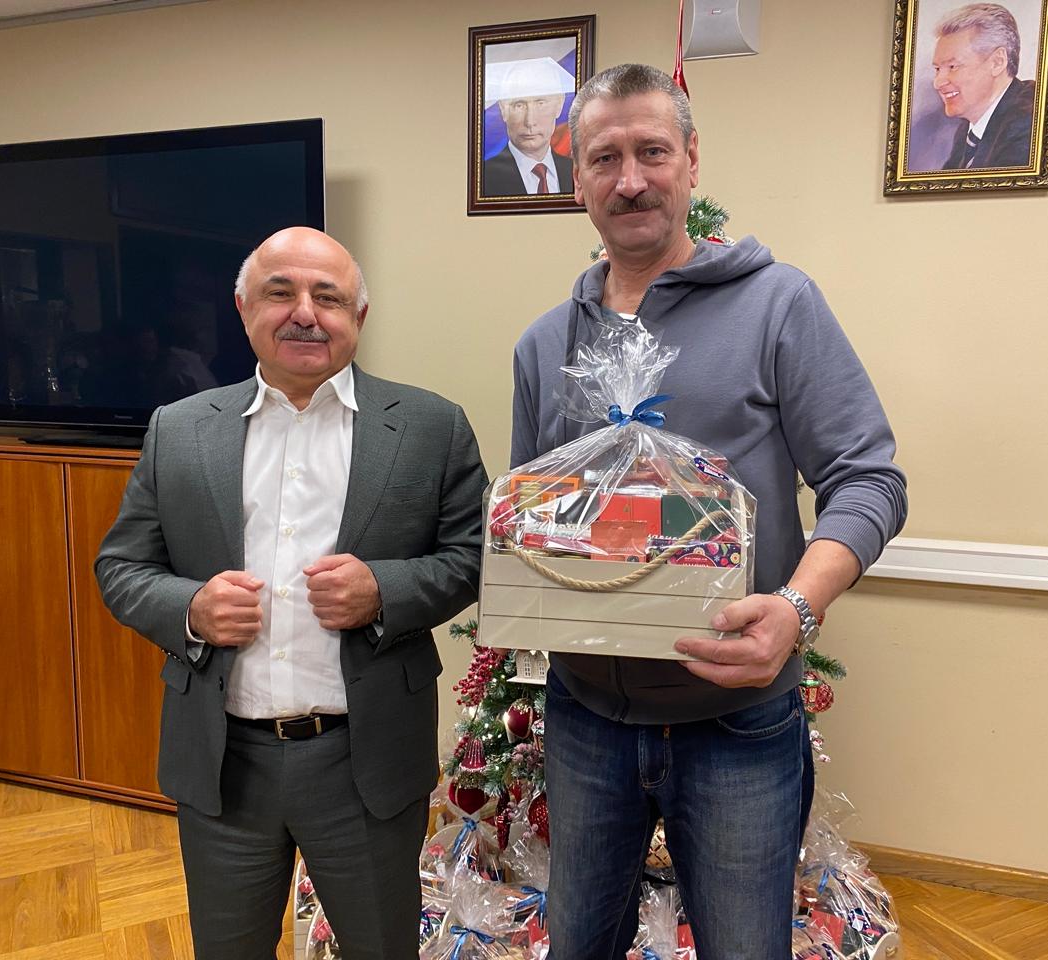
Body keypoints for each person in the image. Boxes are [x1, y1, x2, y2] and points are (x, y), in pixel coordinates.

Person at [510, 64, 907, 959]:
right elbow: (530, 515)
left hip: (739, 720)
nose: (631, 180)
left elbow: (869, 480)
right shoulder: (544, 344)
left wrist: (797, 608)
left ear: (692, 161)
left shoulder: (778, 305)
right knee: (579, 945)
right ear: (577, 179)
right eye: (605, 158)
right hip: (584, 719)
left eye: (652, 152)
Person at [95, 226, 487, 960]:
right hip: (223, 765)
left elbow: (473, 558)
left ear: (358, 317)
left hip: (366, 763)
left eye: (328, 297)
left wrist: (384, 589)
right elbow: (121, 568)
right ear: (244, 309)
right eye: (281, 292)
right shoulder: (179, 429)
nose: (305, 313)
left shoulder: (431, 427)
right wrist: (190, 609)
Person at [933, 3, 1036, 169]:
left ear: (997, 62)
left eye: (953, 66)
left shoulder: (1029, 120)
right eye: (937, 69)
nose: (938, 83)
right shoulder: (966, 131)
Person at [483, 57, 575, 196]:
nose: (530, 121)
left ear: (559, 105)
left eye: (541, 103)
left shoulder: (576, 172)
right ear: (503, 109)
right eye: (519, 105)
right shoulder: (485, 178)